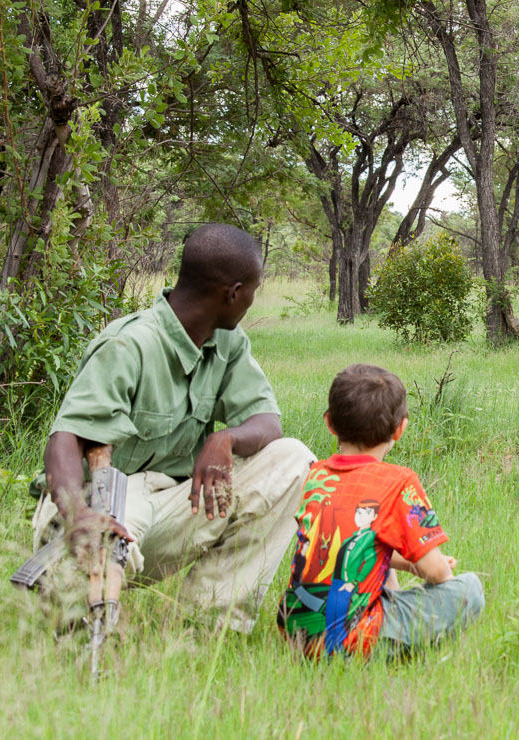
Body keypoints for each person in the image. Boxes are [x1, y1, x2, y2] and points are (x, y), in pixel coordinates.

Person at [31, 223, 316, 632]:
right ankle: (79, 596)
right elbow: (65, 439)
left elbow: (267, 421)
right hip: (104, 501)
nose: (252, 299)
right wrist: (79, 516)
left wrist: (226, 437)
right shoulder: (129, 345)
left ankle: (206, 625)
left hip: (175, 503)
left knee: (294, 460)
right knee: (94, 573)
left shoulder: (227, 343)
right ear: (232, 293)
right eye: (253, 289)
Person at [277, 363, 484, 658]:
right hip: (351, 637)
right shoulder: (399, 482)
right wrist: (429, 564)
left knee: (383, 555)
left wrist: (409, 562)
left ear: (329, 423)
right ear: (400, 429)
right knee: (470, 589)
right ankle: (401, 650)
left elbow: (356, 546)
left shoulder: (317, 476)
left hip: (295, 629)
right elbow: (436, 572)